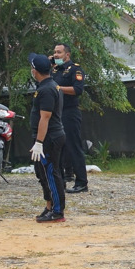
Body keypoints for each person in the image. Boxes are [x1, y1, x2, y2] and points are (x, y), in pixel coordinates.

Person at [28, 53, 66, 223]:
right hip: (46, 137)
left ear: (35, 70)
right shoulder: (45, 86)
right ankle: (49, 206)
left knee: (51, 173)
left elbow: (45, 117)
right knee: (42, 173)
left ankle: (58, 211)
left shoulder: (47, 89)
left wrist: (39, 142)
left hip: (49, 138)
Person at [51, 43, 88, 193]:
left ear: (67, 55)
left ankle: (81, 182)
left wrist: (58, 89)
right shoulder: (54, 70)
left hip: (70, 112)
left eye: (59, 52)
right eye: (54, 52)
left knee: (73, 146)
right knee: (57, 147)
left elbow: (78, 89)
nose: (56, 55)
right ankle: (60, 181)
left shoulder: (75, 69)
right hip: (56, 113)